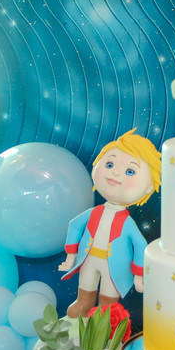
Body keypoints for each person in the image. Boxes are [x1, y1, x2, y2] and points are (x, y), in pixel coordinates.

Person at [60, 129, 161, 317]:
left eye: (130, 171)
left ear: (148, 187)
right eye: (109, 164)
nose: (115, 172)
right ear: (96, 166)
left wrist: (139, 276)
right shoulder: (94, 213)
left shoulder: (127, 223)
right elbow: (74, 226)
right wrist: (70, 257)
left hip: (114, 267)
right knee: (85, 286)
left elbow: (140, 246)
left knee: (108, 298)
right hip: (88, 259)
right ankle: (83, 303)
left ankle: (105, 314)